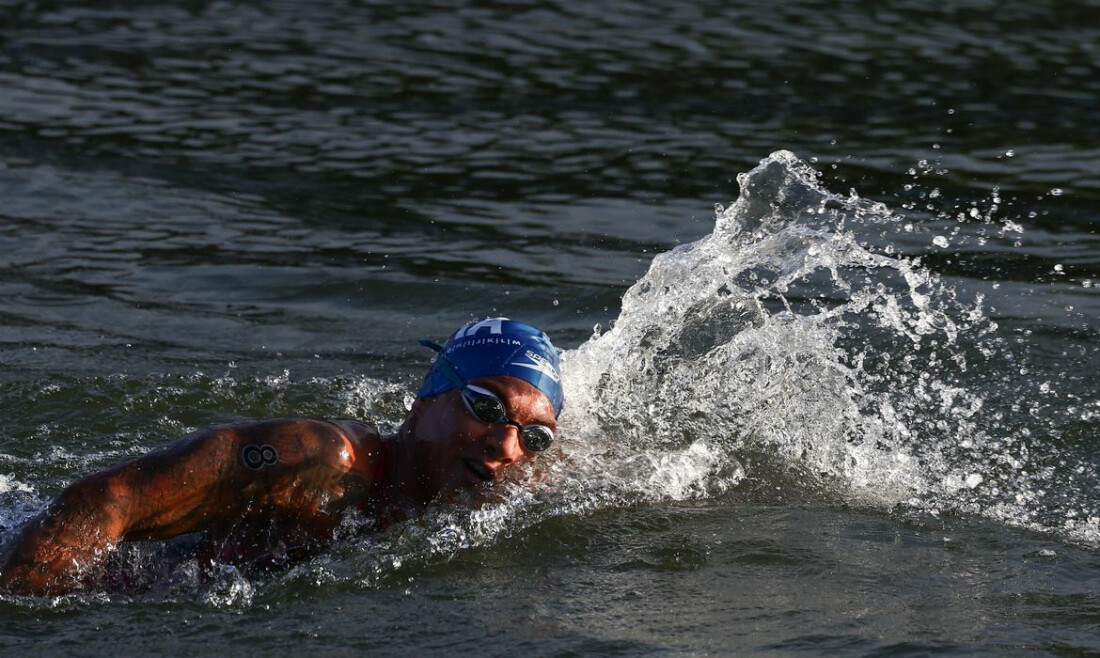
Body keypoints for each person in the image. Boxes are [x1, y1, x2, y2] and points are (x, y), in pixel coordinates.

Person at [0, 318, 564, 596]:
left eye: (534, 436)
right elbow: (108, 500)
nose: (506, 445)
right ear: (424, 402)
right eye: (486, 407)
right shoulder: (323, 461)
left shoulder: (502, 493)